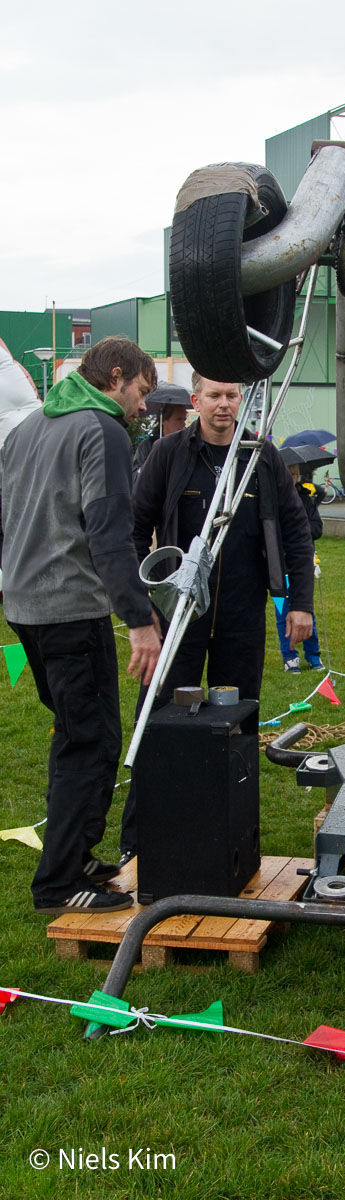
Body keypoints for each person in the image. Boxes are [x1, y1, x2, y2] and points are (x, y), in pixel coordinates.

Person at [120, 373, 314, 860]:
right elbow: (133, 526)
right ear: (195, 401)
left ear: (242, 400)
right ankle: (139, 842)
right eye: (214, 396)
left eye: (232, 395)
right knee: (159, 719)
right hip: (177, 617)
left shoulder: (261, 458)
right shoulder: (168, 455)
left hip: (241, 616)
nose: (224, 405)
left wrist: (301, 601)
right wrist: (143, 606)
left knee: (237, 725)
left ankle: (235, 839)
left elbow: (295, 533)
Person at [0, 337, 162, 914]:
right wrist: (139, 619)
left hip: (24, 608)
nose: (144, 407)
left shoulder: (27, 427)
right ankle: (61, 881)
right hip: (71, 610)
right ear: (115, 376)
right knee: (92, 742)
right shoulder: (103, 430)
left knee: (74, 734)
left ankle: (74, 854)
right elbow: (109, 532)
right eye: (142, 392)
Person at [277, 464, 324, 673]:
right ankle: (289, 657)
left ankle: (313, 655)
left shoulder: (306, 499)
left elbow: (317, 528)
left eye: (294, 473)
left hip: (301, 569)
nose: (292, 477)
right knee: (282, 613)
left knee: (306, 611)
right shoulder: (272, 500)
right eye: (288, 473)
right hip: (278, 569)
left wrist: (299, 526)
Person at [131, 383, 190, 482]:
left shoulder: (187, 446)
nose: (183, 425)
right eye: (178, 419)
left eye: (184, 419)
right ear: (164, 421)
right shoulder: (147, 447)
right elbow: (135, 478)